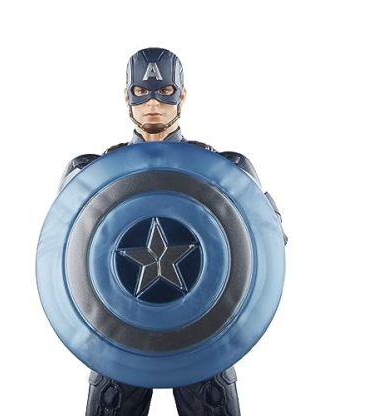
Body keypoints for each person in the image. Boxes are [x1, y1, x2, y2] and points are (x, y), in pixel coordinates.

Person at [59, 47, 287, 416]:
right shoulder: (88, 175)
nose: (152, 103)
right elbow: (66, 260)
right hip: (118, 342)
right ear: (126, 96)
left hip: (205, 340)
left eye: (165, 92)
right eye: (141, 92)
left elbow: (268, 248)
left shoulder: (228, 171)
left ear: (182, 95)